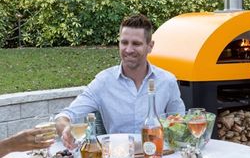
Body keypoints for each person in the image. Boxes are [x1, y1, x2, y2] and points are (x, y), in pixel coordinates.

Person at [56, 14, 185, 148]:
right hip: (118, 157)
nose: (128, 50)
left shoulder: (167, 81)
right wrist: (66, 129)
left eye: (136, 44)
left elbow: (181, 126)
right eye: (124, 43)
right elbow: (63, 117)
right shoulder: (103, 82)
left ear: (150, 46)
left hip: (157, 156)